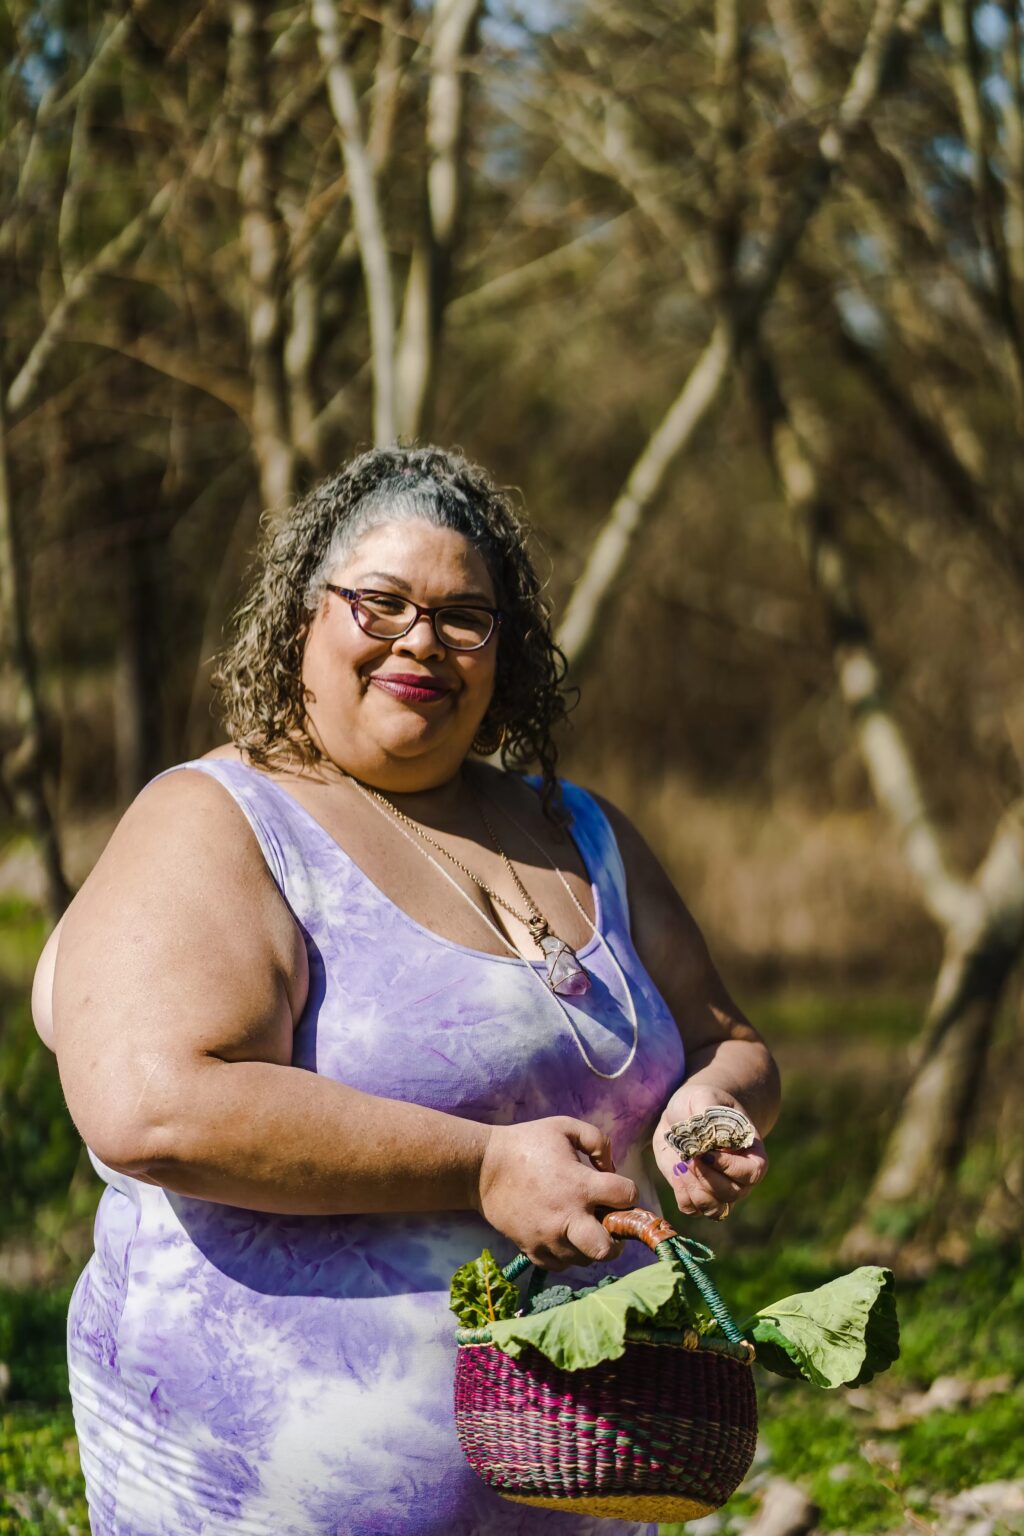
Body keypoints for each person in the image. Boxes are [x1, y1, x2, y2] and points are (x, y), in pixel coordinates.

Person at [33, 444, 780, 1536]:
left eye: (462, 616)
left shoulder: (582, 833)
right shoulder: (216, 819)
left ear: (503, 651)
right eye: (379, 603)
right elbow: (152, 1105)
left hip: (583, 1481)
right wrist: (480, 1166)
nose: (419, 641)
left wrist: (703, 1115)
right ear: (303, 619)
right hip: (266, 1495)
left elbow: (726, 1038)